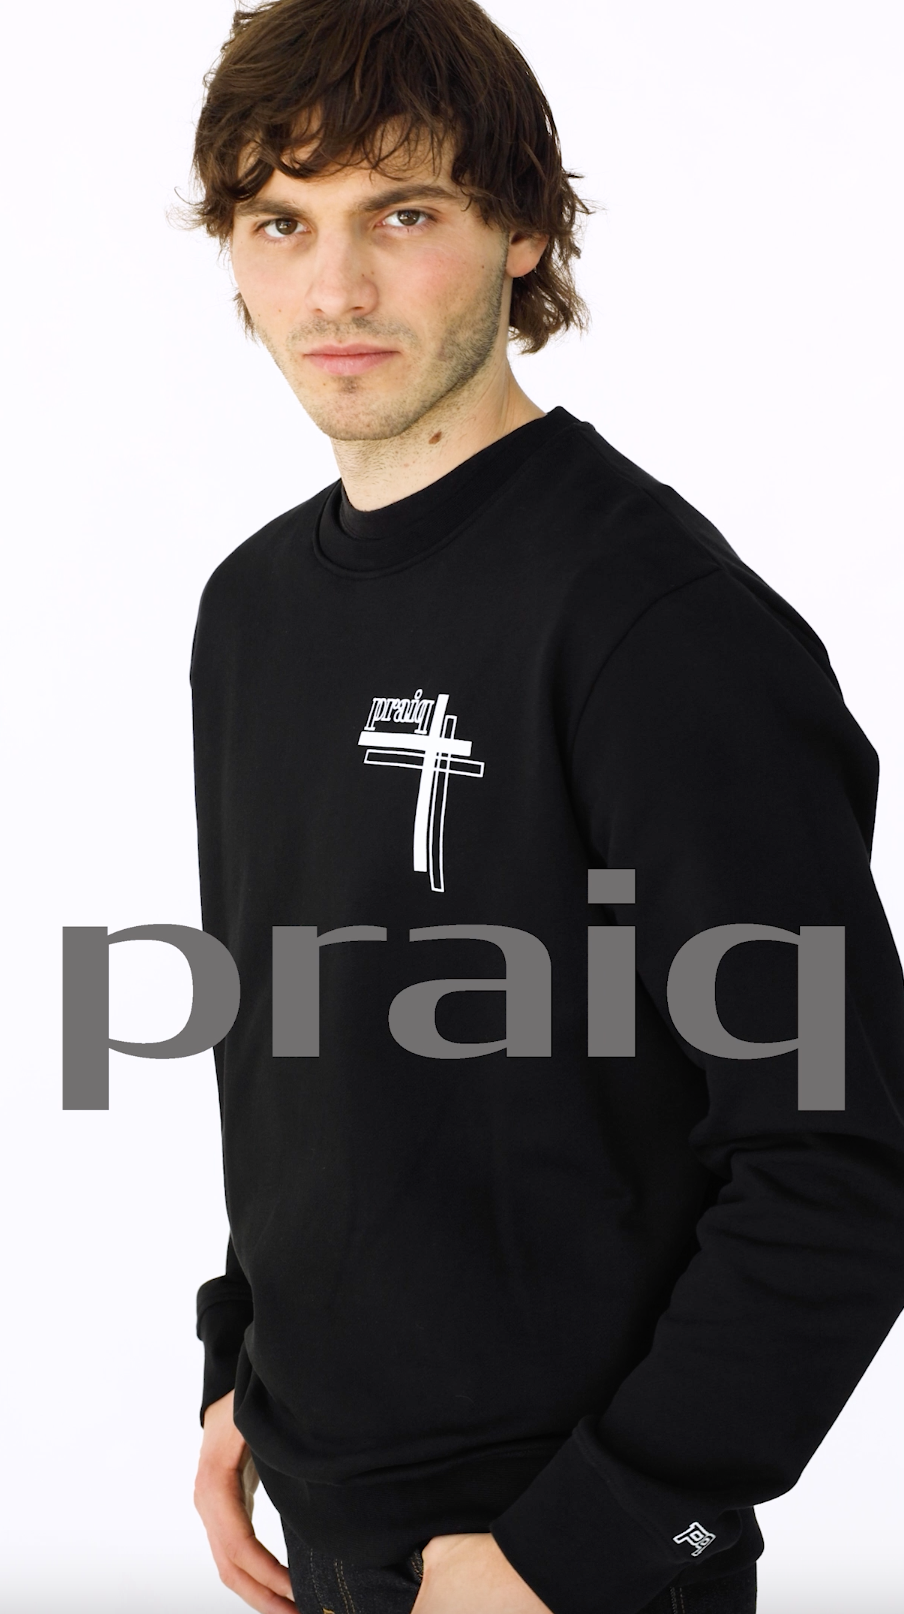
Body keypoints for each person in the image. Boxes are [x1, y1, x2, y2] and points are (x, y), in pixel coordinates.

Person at [187, 3, 904, 1613]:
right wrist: (249, 1370)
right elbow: (304, 1046)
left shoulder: (658, 625)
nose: (335, 288)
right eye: (281, 221)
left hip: (552, 1555)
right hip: (326, 1523)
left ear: (520, 229)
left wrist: (576, 1544)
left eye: (402, 214)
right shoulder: (252, 612)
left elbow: (838, 1160)